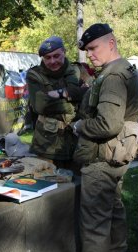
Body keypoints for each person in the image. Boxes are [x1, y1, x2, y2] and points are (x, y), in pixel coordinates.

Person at [60, 24, 138, 252]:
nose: (89, 55)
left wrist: (79, 126)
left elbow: (107, 124)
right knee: (115, 210)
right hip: (116, 157)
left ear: (111, 43)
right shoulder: (120, 69)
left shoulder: (114, 75)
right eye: (86, 50)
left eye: (93, 48)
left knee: (95, 220)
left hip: (101, 159)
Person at [26, 36, 87, 170]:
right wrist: (73, 102)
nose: (52, 61)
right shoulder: (35, 75)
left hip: (76, 139)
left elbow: (89, 96)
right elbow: (40, 105)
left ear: (64, 52)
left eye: (56, 56)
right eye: (47, 58)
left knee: (75, 184)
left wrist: (58, 96)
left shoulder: (78, 71)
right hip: (47, 142)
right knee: (48, 184)